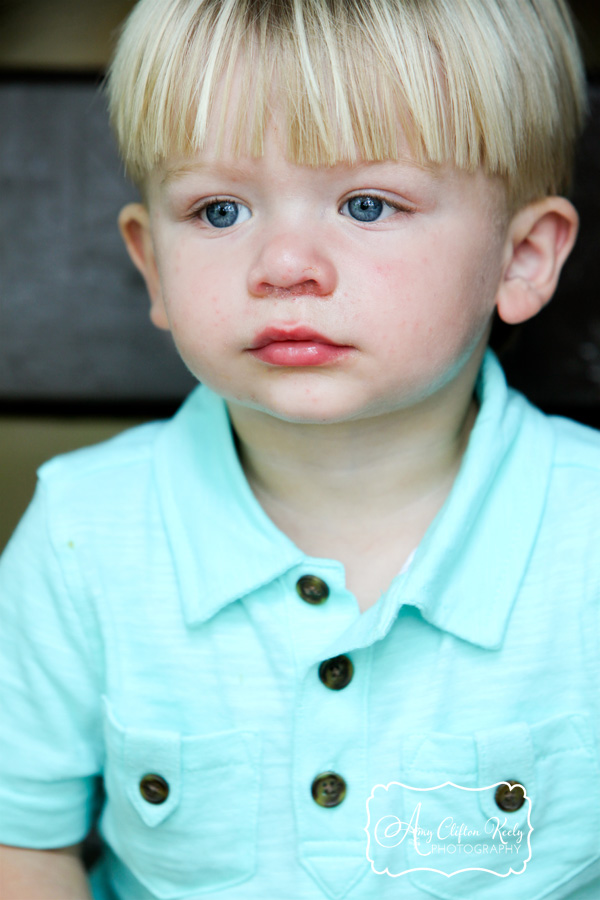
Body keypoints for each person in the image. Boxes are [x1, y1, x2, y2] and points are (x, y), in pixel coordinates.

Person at [0, 0, 598, 898]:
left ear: (521, 259)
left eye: (367, 203)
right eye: (218, 208)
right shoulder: (87, 533)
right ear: (151, 263)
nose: (283, 263)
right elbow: (24, 843)